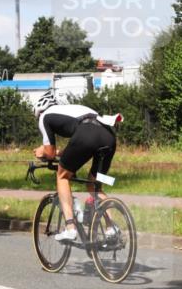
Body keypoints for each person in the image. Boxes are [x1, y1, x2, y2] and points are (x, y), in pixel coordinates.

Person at [32, 89, 121, 241]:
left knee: (62, 176)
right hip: (108, 136)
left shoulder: (44, 117)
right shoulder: (72, 110)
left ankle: (70, 227)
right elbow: (76, 146)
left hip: (87, 134)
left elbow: (50, 153)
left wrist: (42, 153)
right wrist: (59, 152)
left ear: (39, 110)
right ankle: (111, 227)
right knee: (94, 184)